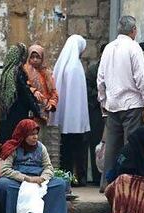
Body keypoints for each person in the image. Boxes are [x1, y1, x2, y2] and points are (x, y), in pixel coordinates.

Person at [97, 15, 144, 189]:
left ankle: (108, 184)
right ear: (134, 30)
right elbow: (141, 77)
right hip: (132, 104)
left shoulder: (108, 48)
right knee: (132, 145)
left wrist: (104, 101)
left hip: (112, 104)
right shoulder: (133, 47)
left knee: (112, 147)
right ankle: (129, 184)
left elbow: (101, 79)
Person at [0, 119, 68, 213]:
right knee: (3, 184)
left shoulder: (41, 147)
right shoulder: (11, 148)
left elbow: (48, 167)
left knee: (60, 184)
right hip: (18, 181)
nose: (35, 137)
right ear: (23, 135)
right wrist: (27, 179)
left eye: (36, 134)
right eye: (31, 134)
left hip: (39, 180)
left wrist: (42, 178)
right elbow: (4, 170)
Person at [51, 34, 90, 186]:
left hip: (67, 115)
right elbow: (77, 97)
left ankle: (67, 176)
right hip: (74, 117)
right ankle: (76, 177)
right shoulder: (75, 67)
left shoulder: (64, 65)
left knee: (66, 148)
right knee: (76, 148)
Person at [0, 43, 41, 144]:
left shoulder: (6, 71)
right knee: (16, 142)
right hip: (17, 114)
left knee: (6, 142)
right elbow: (25, 93)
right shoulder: (17, 72)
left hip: (6, 114)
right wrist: (36, 109)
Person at [23, 44, 59, 148]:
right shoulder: (25, 71)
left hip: (43, 114)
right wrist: (33, 91)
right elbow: (24, 86)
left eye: (37, 57)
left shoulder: (47, 73)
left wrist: (51, 104)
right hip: (29, 112)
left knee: (40, 140)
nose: (34, 60)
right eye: (32, 57)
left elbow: (53, 92)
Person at [86, 43, 107, 185]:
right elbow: (87, 89)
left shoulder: (114, 69)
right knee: (95, 143)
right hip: (96, 112)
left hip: (110, 111)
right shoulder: (93, 70)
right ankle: (95, 177)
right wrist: (101, 96)